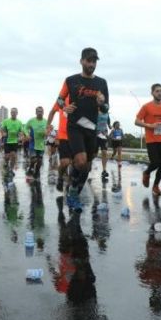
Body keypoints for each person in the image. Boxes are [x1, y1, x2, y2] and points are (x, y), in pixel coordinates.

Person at [55, 47, 109, 211]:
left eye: (94, 61)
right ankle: (72, 192)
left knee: (87, 166)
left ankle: (74, 190)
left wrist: (102, 104)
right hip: (74, 126)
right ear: (81, 61)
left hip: (92, 128)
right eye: (89, 60)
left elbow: (107, 108)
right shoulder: (71, 80)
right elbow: (59, 99)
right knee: (80, 161)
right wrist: (65, 106)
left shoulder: (102, 83)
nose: (92, 64)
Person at [135, 84, 161, 196]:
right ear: (152, 93)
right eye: (157, 91)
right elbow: (137, 121)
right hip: (151, 140)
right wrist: (149, 125)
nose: (160, 93)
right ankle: (147, 172)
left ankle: (156, 186)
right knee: (155, 163)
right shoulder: (146, 107)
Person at [46, 95, 72, 192]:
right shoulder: (62, 100)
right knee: (65, 163)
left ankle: (70, 187)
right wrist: (48, 126)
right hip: (64, 136)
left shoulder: (81, 98)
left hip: (77, 136)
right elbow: (52, 112)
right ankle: (60, 177)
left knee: (75, 163)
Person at [25, 106, 48, 181]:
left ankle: (37, 172)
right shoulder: (31, 121)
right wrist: (27, 135)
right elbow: (25, 128)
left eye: (41, 111)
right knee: (34, 159)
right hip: (33, 143)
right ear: (36, 112)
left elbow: (49, 130)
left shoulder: (46, 121)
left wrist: (47, 133)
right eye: (38, 111)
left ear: (43, 112)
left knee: (40, 161)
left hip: (41, 144)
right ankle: (31, 168)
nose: (39, 113)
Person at [1, 108, 24, 174]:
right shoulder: (6, 121)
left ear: (17, 113)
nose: (13, 113)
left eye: (14, 112)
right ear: (10, 113)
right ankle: (6, 162)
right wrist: (3, 133)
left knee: (13, 156)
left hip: (15, 141)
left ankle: (11, 169)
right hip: (7, 141)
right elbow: (2, 129)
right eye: (12, 112)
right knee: (7, 156)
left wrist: (21, 136)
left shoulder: (19, 122)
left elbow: (21, 131)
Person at [96, 105, 111, 181]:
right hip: (95, 134)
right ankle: (88, 166)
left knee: (104, 152)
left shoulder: (107, 113)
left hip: (104, 135)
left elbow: (108, 120)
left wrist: (109, 126)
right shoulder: (96, 112)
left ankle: (104, 170)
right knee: (93, 154)